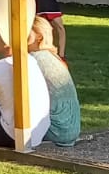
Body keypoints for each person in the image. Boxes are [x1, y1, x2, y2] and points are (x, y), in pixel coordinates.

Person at [29, 17, 81, 147]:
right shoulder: (53, 57)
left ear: (38, 37)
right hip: (71, 129)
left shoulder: (34, 59)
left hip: (57, 131)